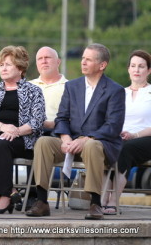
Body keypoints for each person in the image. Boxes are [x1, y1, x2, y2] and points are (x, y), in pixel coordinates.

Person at [26, 43, 125, 220]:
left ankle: (95, 203)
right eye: (83, 58)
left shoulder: (114, 90)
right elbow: (61, 118)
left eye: (89, 59)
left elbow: (113, 126)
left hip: (99, 144)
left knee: (93, 145)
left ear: (102, 65)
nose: (83, 62)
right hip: (71, 142)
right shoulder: (72, 86)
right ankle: (41, 201)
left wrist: (85, 139)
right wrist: (65, 138)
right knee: (43, 142)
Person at [0, 46, 45, 214]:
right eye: (1, 65)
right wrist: (3, 127)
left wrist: (16, 131)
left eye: (8, 65)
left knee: (1, 145)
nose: (3, 68)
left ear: (20, 68)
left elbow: (37, 120)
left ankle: (4, 198)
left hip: (22, 138)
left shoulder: (33, 91)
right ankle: (10, 191)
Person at [101, 50, 151, 215]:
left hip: (145, 138)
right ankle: (102, 199)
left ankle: (113, 201)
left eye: (141, 66)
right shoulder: (119, 93)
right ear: (128, 69)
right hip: (121, 137)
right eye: (133, 66)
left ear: (148, 70)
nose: (137, 70)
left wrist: (134, 135)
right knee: (104, 147)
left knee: (125, 148)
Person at [29, 46, 67, 135]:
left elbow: (74, 118)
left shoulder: (70, 87)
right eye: (40, 59)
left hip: (56, 133)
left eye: (47, 57)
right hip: (28, 132)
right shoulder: (27, 86)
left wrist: (49, 125)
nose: (43, 61)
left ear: (58, 62)